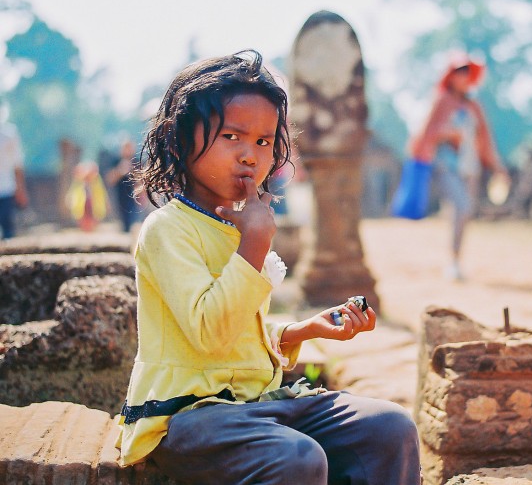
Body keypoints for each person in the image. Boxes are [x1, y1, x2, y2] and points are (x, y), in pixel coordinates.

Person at [116, 49, 421, 485]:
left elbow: (240, 336)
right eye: (232, 137)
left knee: (390, 428)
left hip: (258, 404)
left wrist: (303, 331)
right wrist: (255, 245)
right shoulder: (168, 231)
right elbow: (209, 335)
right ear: (181, 140)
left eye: (263, 141)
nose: (250, 156)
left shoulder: (238, 224)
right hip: (186, 418)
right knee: (297, 458)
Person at [410, 51, 508, 281]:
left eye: (467, 72)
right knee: (462, 207)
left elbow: (485, 139)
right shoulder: (442, 101)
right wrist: (447, 133)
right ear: (451, 76)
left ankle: (456, 259)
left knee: (464, 214)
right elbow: (427, 133)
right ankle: (453, 261)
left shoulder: (474, 106)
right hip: (446, 166)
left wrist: (498, 167)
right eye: (458, 72)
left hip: (469, 168)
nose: (463, 76)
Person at [104, 138, 143, 232]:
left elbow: (142, 181)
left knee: (133, 221)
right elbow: (109, 179)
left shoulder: (136, 162)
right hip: (119, 197)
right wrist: (120, 171)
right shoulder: (116, 161)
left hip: (134, 198)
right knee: (122, 223)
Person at [0, 113, 28, 239]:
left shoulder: (9, 133)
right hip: (7, 187)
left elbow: (17, 164)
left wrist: (20, 189)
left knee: (8, 231)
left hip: (6, 188)